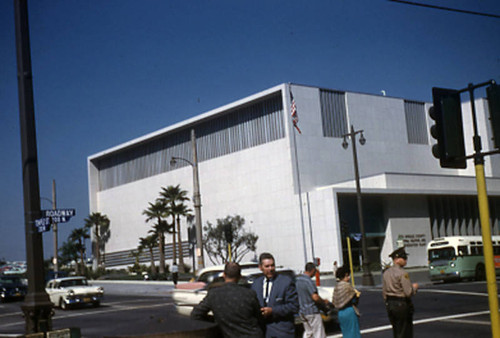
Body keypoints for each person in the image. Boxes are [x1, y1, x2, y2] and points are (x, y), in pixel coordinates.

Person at [191, 262, 264, 338]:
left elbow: (196, 314)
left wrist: (216, 322)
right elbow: (259, 318)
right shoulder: (249, 294)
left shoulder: (214, 294)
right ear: (240, 276)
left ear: (224, 275)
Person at [251, 252, 299, 338]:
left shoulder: (285, 282)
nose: (270, 269)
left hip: (282, 331)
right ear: (260, 267)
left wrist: (273, 311)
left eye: (272, 265)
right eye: (267, 266)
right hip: (263, 331)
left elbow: (294, 306)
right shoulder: (256, 284)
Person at [382, 247, 419, 338]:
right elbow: (408, 292)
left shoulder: (386, 273)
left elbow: (384, 292)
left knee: (396, 330)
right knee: (405, 331)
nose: (406, 260)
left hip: (390, 304)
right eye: (404, 258)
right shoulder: (402, 273)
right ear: (397, 259)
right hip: (401, 304)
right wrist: (414, 288)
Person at [296, 262, 328, 338]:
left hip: (302, 311)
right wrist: (324, 302)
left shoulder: (297, 280)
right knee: (319, 334)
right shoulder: (308, 281)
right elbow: (315, 297)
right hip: (312, 311)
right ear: (313, 270)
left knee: (308, 333)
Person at [332, 266, 361, 338]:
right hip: (349, 311)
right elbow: (353, 299)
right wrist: (357, 296)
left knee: (346, 333)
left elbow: (334, 301)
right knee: (353, 333)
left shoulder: (337, 287)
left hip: (341, 313)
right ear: (345, 275)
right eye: (348, 275)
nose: (349, 277)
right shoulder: (347, 286)